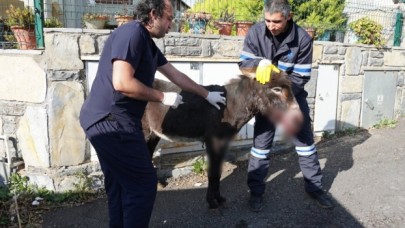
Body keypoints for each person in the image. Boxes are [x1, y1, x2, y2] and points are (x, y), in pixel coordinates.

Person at [79, 0, 226, 227]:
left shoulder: (147, 44)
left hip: (107, 120)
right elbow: (122, 82)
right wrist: (161, 97)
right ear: (153, 14)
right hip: (111, 121)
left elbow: (175, 75)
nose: (171, 24)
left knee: (120, 184)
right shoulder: (132, 33)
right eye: (168, 18)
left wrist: (206, 94)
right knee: (144, 184)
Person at [238, 0, 334, 211]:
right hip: (265, 97)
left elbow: (300, 78)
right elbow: (244, 64)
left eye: (277, 21)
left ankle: (314, 187)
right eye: (267, 20)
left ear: (288, 17)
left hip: (292, 96)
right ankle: (256, 192)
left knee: (305, 144)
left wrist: (280, 93)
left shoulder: (302, 39)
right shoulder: (255, 32)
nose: (271, 26)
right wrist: (258, 64)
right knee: (261, 146)